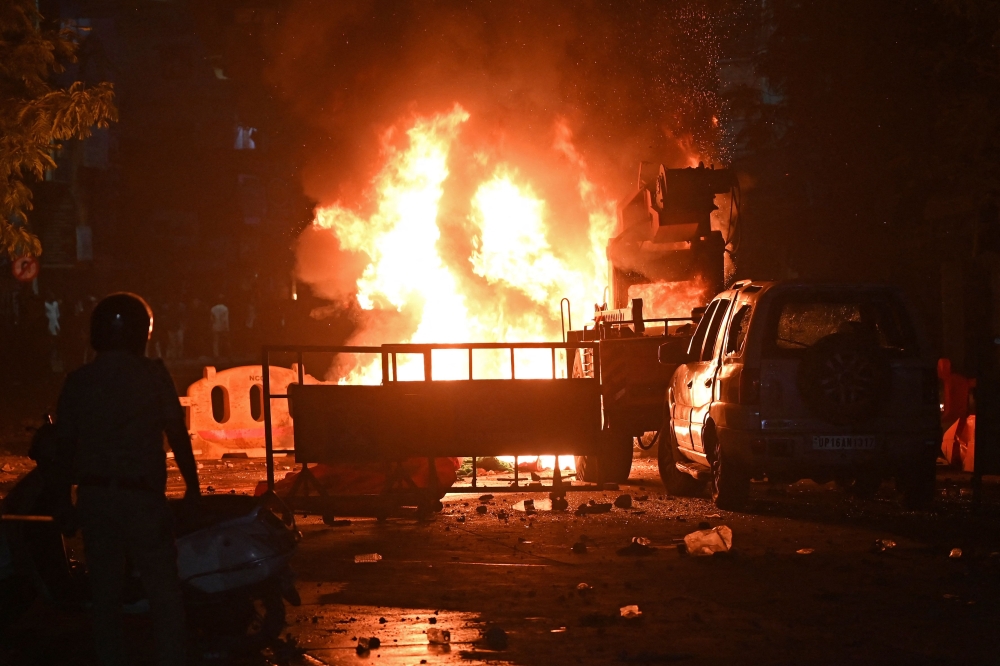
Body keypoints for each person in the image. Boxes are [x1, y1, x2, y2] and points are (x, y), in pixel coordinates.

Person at [53, 293, 200, 666]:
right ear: (141, 333)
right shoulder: (152, 376)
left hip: (96, 500)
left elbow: (62, 449)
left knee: (105, 596)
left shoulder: (79, 381)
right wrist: (193, 489)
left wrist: (62, 504)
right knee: (164, 593)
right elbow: (177, 434)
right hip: (143, 500)